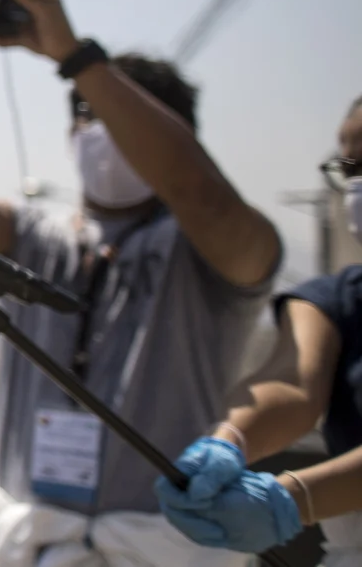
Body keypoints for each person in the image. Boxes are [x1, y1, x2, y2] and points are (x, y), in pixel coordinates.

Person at [0, 0, 283, 566]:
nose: (95, 128)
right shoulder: (39, 236)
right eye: (82, 112)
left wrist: (77, 55)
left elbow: (203, 197)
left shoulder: (211, 249)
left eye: (111, 114)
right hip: (23, 544)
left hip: (152, 547)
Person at [155, 95, 362, 562]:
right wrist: (229, 441)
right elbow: (291, 382)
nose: (356, 187)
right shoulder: (336, 300)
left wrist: (294, 498)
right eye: (350, 170)